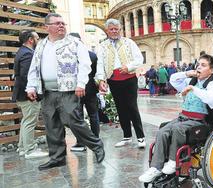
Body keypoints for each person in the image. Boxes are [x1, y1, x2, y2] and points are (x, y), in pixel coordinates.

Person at [26, 13, 105, 171]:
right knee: (52, 125)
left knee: (73, 121)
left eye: (63, 23)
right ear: (47, 27)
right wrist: (31, 86)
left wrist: (81, 83)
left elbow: (85, 64)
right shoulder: (41, 45)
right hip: (48, 92)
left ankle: (97, 146)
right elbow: (33, 67)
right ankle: (57, 157)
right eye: (57, 23)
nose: (61, 25)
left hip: (68, 90)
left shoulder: (74, 42)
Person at [139, 54, 213, 183]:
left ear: (211, 70)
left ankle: (173, 161)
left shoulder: (212, 85)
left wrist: (193, 89)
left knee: (178, 129)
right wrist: (188, 73)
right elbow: (173, 79)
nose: (199, 67)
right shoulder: (192, 81)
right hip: (183, 117)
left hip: (199, 121)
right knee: (163, 131)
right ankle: (155, 167)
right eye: (198, 64)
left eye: (203, 65)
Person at [95, 18, 146, 148]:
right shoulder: (102, 46)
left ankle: (141, 137)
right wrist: (101, 79)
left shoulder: (129, 42)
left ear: (120, 30)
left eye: (116, 29)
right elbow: (100, 64)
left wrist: (128, 67)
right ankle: (127, 136)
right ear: (107, 31)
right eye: (111, 29)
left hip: (129, 78)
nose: (114, 31)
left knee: (132, 107)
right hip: (113, 80)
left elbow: (139, 58)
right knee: (121, 108)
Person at [12, 29, 48, 159]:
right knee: (30, 121)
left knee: (26, 120)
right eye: (37, 38)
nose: (38, 41)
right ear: (30, 40)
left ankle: (22, 148)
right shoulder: (28, 54)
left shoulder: (22, 52)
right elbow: (27, 76)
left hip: (22, 94)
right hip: (27, 95)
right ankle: (30, 149)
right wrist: (32, 91)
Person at [68, 32, 100, 152]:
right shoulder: (92, 55)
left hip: (76, 88)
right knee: (93, 115)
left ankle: (81, 143)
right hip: (90, 87)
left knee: (78, 116)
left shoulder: (69, 55)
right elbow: (95, 72)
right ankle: (96, 140)